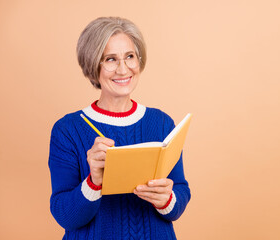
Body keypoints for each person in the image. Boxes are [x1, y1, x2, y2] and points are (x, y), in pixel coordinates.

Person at [48, 17, 191, 240]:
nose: (123, 69)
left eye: (130, 56)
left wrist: (167, 198)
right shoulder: (67, 130)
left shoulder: (162, 123)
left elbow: (180, 193)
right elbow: (64, 216)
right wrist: (94, 181)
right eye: (111, 59)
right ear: (93, 65)